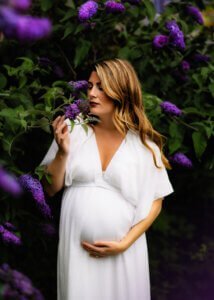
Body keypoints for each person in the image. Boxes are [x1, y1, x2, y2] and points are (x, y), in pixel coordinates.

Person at [39, 58, 174, 300]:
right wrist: (62, 152)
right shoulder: (74, 129)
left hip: (124, 252)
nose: (91, 93)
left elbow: (156, 201)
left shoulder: (144, 146)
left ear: (120, 91)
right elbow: (49, 189)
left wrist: (125, 243)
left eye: (101, 87)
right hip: (77, 252)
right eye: (90, 86)